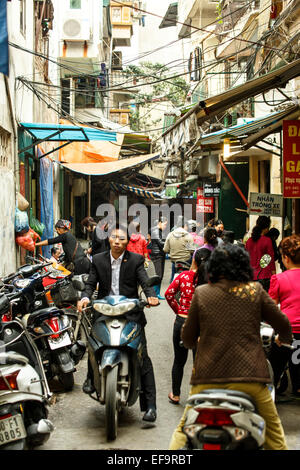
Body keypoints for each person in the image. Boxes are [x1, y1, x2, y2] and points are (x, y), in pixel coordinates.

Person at [169, 244, 293, 451]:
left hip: (207, 379)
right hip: (250, 378)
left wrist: (193, 343)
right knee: (274, 434)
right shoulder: (254, 291)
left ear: (213, 267)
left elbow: (188, 337)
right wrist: (283, 338)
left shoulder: (202, 293)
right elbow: (283, 324)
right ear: (244, 266)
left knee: (183, 429)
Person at [77, 224, 159, 426]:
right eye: (114, 237)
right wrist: (85, 297)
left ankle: (150, 406)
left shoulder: (136, 260)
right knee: (93, 343)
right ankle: (90, 378)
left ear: (127, 241)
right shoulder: (97, 259)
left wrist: (151, 296)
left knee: (142, 355)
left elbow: (144, 281)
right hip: (104, 310)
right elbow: (90, 283)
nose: (117, 241)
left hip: (130, 312)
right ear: (108, 239)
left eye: (122, 238)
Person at [165, 248, 211, 405]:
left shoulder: (184, 276)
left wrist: (179, 311)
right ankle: (199, 396)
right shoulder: (213, 280)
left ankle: (176, 394)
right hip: (202, 325)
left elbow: (169, 294)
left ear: (194, 261)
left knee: (179, 360)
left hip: (182, 321)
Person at [268, 235, 300, 397]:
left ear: (286, 258)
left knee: (275, 367)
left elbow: (272, 309)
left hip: (286, 333)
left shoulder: (279, 279)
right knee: (297, 364)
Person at [245, 216, 276, 291]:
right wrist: (274, 274)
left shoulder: (249, 241)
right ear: (266, 228)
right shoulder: (267, 240)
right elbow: (270, 259)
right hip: (264, 276)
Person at [150, 216, 168, 300]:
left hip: (160, 254)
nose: (165, 226)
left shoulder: (158, 230)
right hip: (157, 255)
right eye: (164, 224)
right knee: (159, 275)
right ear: (160, 223)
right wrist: (169, 242)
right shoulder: (155, 230)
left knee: (160, 275)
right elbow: (160, 242)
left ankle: (156, 293)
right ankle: (154, 293)